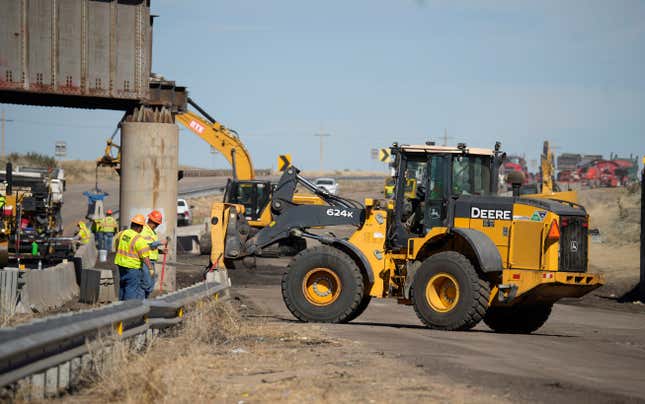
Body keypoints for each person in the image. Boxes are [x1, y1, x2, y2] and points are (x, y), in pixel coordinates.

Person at [114, 214, 152, 300]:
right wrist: (150, 268)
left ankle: (120, 307)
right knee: (131, 288)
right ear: (140, 227)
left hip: (121, 265)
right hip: (132, 268)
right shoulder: (139, 239)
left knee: (122, 286)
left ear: (132, 224)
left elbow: (116, 245)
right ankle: (128, 309)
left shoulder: (122, 233)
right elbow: (145, 257)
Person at [140, 210, 167, 298]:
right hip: (145, 260)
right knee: (146, 283)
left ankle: (145, 301)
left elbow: (151, 247)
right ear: (151, 221)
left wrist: (160, 251)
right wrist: (160, 242)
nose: (156, 226)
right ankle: (141, 301)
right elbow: (149, 245)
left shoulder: (152, 232)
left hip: (152, 261)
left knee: (151, 284)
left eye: (158, 224)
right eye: (156, 224)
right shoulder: (144, 230)